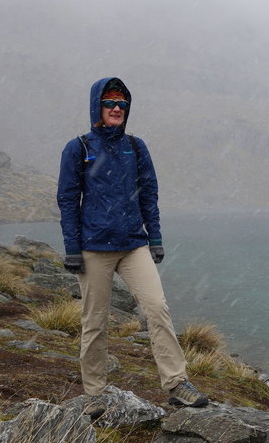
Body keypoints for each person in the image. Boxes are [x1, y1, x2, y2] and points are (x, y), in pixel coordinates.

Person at [57, 77, 208, 419]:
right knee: (95, 321)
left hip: (133, 245)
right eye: (110, 103)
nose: (116, 109)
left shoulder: (136, 148)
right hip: (94, 248)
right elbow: (68, 200)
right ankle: (94, 393)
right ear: (97, 107)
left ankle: (176, 383)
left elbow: (149, 194)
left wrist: (154, 239)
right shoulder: (79, 148)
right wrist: (72, 248)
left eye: (122, 104)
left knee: (157, 308)